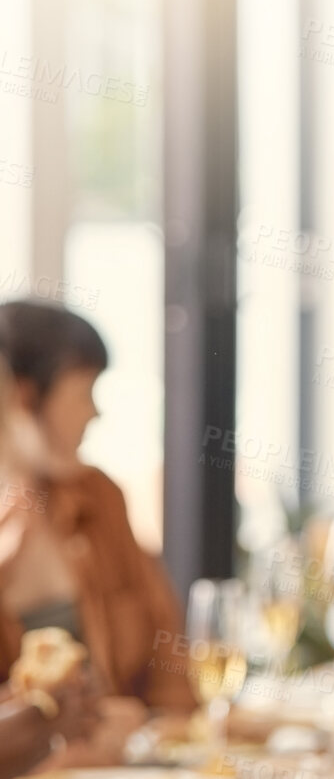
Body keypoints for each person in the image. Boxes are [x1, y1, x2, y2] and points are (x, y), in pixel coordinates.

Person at [0, 300, 196, 714]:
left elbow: (169, 656)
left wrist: (168, 736)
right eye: (84, 392)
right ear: (23, 395)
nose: (95, 412)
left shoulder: (100, 497)